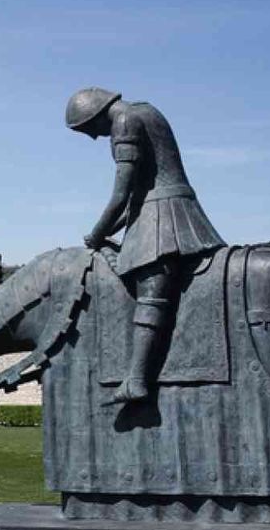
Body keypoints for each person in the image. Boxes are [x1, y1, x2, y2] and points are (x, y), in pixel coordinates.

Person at [66, 87, 225, 405]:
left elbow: (122, 194)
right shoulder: (145, 110)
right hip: (159, 207)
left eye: (88, 130)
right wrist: (106, 230)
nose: (94, 138)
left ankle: (136, 379)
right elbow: (134, 201)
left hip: (164, 214)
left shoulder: (124, 120)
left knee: (151, 291)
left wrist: (97, 233)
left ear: (95, 115)